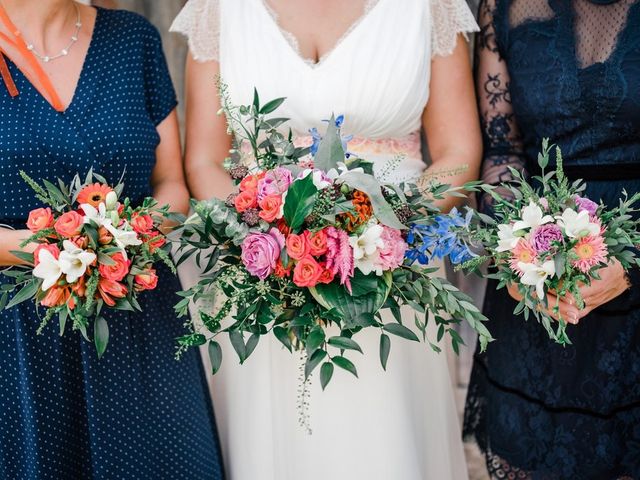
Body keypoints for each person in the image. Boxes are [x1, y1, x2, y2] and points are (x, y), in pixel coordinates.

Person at [171, 0, 482, 478]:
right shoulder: (219, 9)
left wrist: (380, 228)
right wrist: (267, 235)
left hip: (391, 267)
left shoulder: (429, 7)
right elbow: (203, 161)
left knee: (387, 442)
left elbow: (458, 152)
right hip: (264, 276)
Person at [0, 1, 224, 478]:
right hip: (18, 334)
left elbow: (172, 184)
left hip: (137, 316)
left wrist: (127, 237)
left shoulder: (132, 39)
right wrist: (54, 253)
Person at [464, 0, 640, 478]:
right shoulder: (502, 7)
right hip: (538, 296)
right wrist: (511, 253)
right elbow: (504, 149)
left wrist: (632, 260)